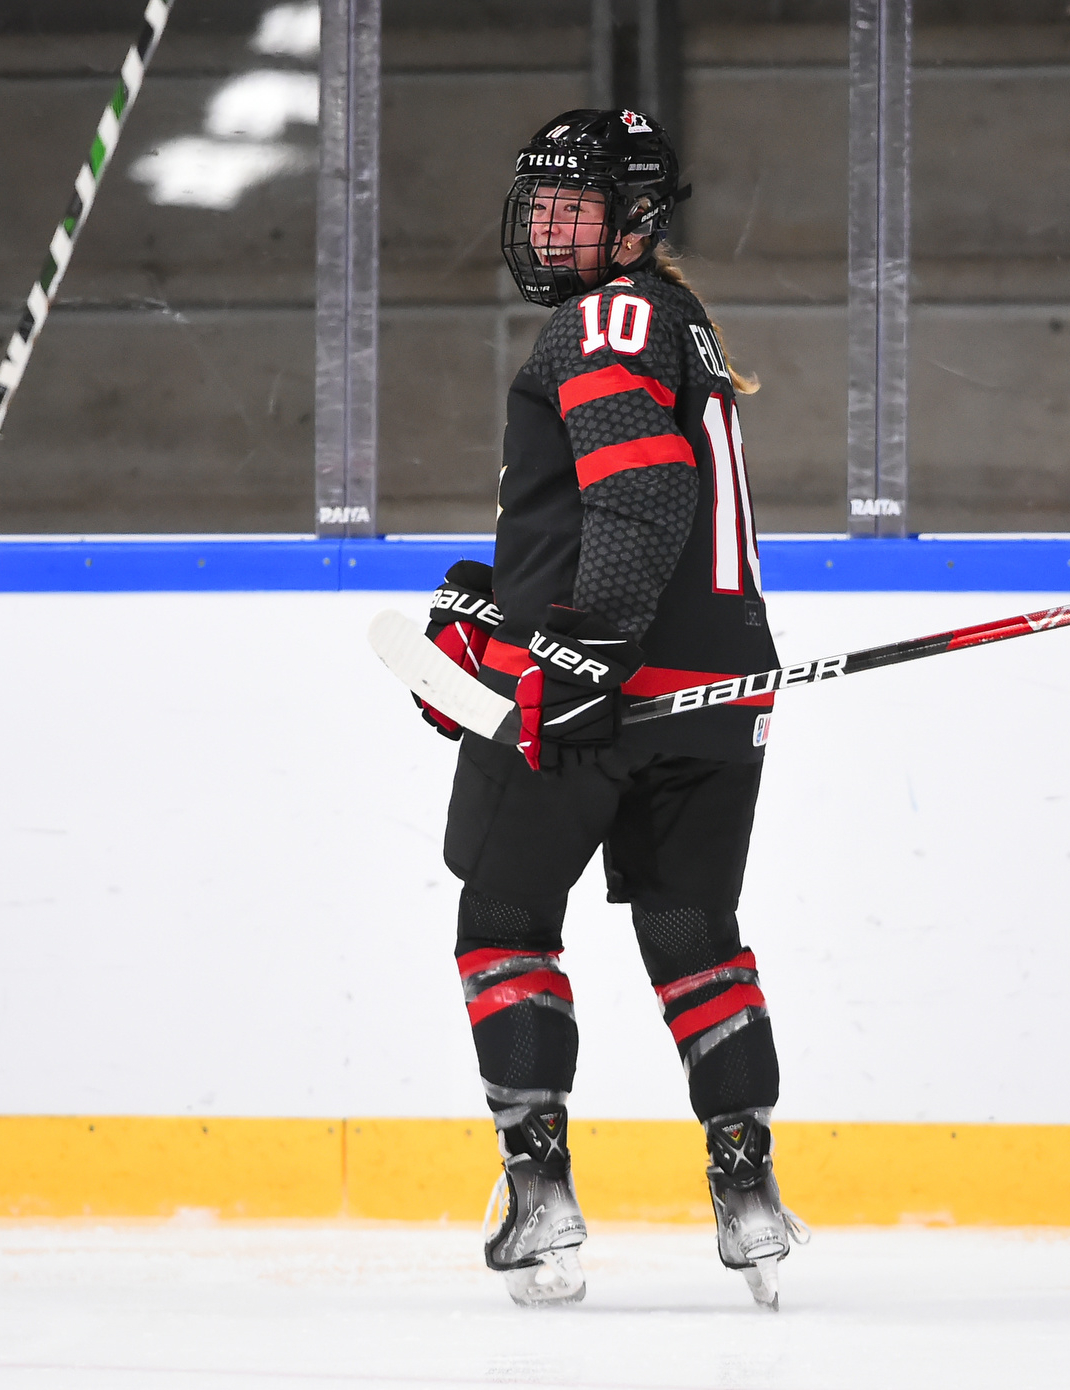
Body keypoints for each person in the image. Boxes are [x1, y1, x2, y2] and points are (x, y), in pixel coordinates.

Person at [416, 108, 806, 1310]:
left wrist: (574, 652)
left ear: (634, 221)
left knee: (504, 917)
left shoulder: (605, 316)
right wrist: (506, 602)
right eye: (538, 202)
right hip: (716, 692)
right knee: (694, 932)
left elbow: (638, 495)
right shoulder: (675, 326)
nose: (545, 226)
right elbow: (638, 516)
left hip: (598, 692)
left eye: (573, 205)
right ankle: (745, 1192)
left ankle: (538, 1193)